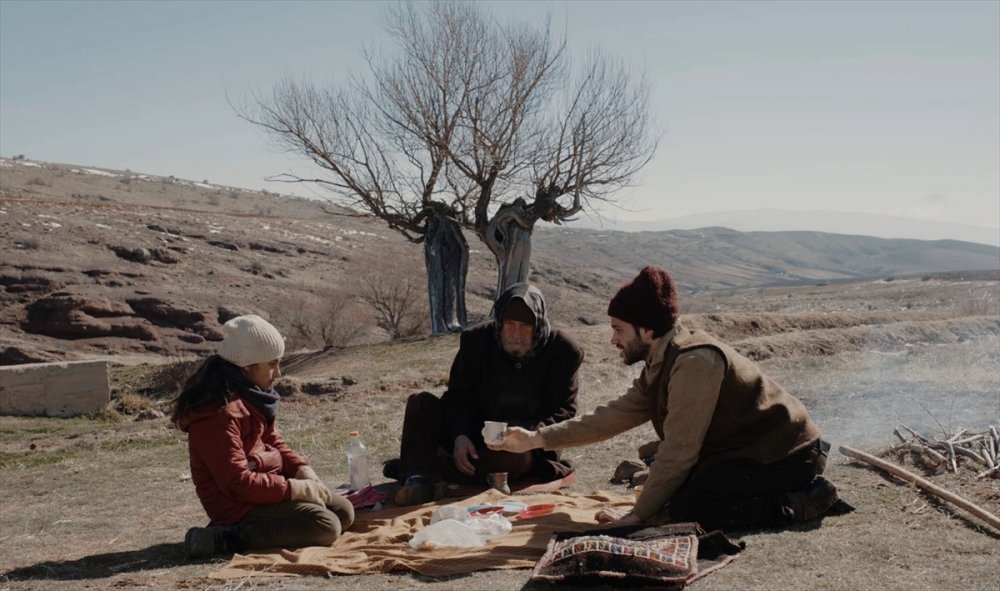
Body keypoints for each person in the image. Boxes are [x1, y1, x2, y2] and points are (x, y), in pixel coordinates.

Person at [490, 266, 843, 530]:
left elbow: (679, 452)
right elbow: (611, 417)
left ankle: (803, 502)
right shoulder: (662, 361)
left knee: (694, 506)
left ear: (647, 329)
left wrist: (638, 515)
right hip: (745, 453)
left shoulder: (694, 362)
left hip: (787, 455)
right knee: (676, 492)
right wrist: (536, 439)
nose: (614, 340)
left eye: (618, 330)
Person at [172, 314, 354, 559]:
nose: (278, 373)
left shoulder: (251, 394)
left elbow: (272, 440)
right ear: (248, 366)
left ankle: (249, 531)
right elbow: (237, 484)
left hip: (262, 486)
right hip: (236, 505)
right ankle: (225, 538)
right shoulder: (215, 412)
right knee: (326, 526)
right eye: (272, 364)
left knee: (344, 512)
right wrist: (294, 489)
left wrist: (301, 470)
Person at [387, 282, 584, 505]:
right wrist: (460, 436)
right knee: (420, 403)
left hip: (524, 444)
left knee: (511, 461)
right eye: (509, 324)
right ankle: (418, 478)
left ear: (537, 326)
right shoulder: (476, 341)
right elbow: (458, 396)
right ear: (499, 323)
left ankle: (423, 468)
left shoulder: (563, 350)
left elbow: (564, 410)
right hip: (471, 435)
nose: (516, 334)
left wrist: (527, 436)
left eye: (524, 326)